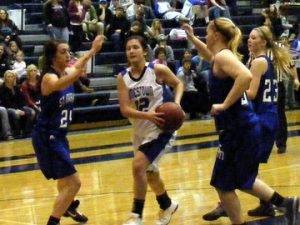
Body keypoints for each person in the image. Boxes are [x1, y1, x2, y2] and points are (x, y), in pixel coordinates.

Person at [182, 18, 299, 225]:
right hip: (244, 126)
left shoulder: (232, 58)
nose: (206, 36)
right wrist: (192, 38)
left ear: (216, 35)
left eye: (207, 32)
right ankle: (286, 204)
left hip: (241, 127)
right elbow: (210, 56)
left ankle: (243, 216)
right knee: (241, 179)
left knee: (223, 183)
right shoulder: (222, 57)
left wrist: (224, 105)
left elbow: (245, 77)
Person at [31, 35, 105, 225]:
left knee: (65, 181)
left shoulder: (65, 72)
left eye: (68, 51)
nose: (68, 54)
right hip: (48, 136)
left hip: (60, 135)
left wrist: (92, 51)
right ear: (53, 57)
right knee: (74, 182)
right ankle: (53, 222)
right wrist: (88, 56)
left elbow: (76, 65)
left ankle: (69, 206)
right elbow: (71, 74)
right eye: (63, 52)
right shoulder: (49, 77)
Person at [117, 35, 184, 225]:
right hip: (140, 129)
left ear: (144, 50)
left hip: (161, 129)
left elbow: (178, 83)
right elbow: (125, 109)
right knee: (150, 174)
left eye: (135, 47)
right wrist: (147, 116)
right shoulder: (122, 78)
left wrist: (177, 105)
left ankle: (136, 216)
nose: (131, 51)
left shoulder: (157, 70)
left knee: (138, 166)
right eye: (128, 48)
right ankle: (168, 205)